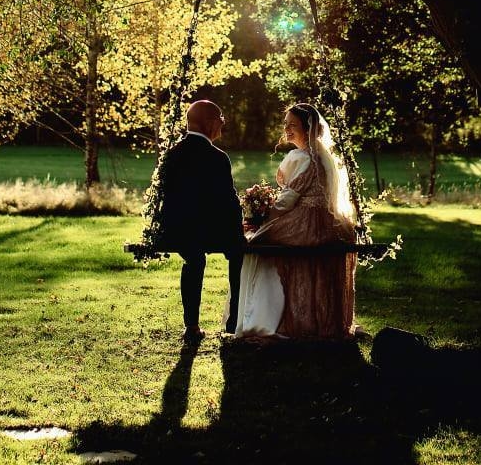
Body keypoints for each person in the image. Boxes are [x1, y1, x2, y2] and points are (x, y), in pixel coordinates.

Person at [233, 102, 357, 340]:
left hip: (306, 222)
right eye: (285, 124)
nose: (287, 129)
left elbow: (287, 199)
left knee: (256, 242)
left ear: (308, 129)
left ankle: (263, 320)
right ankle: (299, 317)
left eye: (293, 125)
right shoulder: (322, 157)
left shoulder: (301, 157)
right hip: (325, 223)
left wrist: (262, 218)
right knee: (262, 239)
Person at [152, 99, 245, 342]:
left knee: (194, 258)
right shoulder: (217, 157)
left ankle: (191, 326)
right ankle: (233, 321)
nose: (222, 126)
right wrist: (239, 228)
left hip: (176, 230)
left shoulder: (172, 154)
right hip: (207, 231)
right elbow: (228, 201)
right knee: (239, 250)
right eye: (221, 121)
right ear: (210, 123)